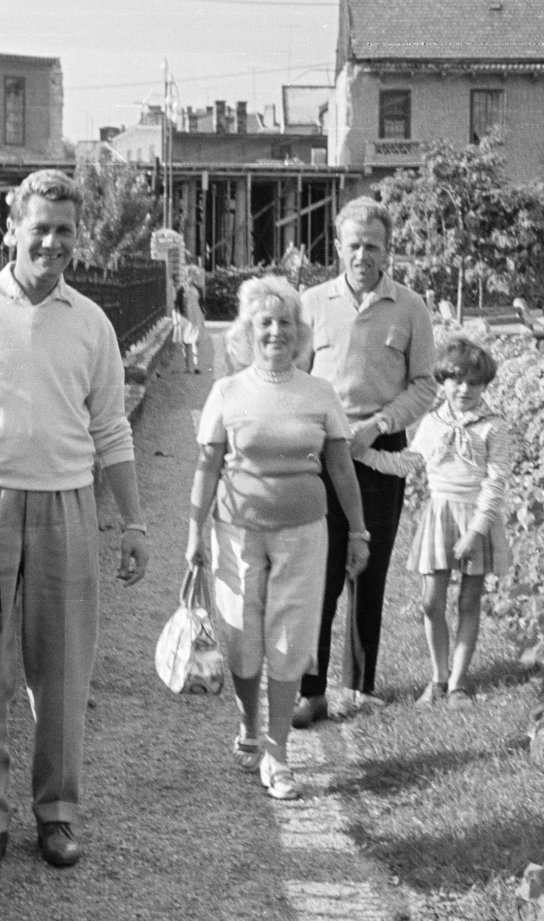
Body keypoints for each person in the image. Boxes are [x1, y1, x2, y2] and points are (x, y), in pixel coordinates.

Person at [0, 169, 149, 880]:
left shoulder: (91, 322)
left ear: (79, 236)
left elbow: (111, 428)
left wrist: (133, 521)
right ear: (10, 229)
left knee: (64, 671)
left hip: (68, 506)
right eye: (39, 227)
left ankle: (57, 816)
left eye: (65, 230)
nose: (52, 242)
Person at [185, 276, 368, 801]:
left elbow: (340, 466)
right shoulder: (227, 391)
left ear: (300, 331)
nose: (276, 332)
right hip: (237, 530)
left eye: (285, 322)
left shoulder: (319, 393)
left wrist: (358, 530)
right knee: (243, 633)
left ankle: (278, 752)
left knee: (289, 639)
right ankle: (248, 725)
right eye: (265, 323)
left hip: (304, 532)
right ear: (248, 331)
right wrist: (192, 533)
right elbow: (206, 466)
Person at [294, 197, 436, 727]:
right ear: (337, 247)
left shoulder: (411, 307)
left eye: (371, 246)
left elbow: (425, 386)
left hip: (379, 453)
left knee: (367, 569)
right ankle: (311, 690)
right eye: (352, 245)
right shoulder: (310, 302)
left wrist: (377, 425)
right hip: (320, 455)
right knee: (320, 573)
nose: (361, 255)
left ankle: (359, 686)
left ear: (388, 250)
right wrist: (324, 431)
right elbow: (297, 378)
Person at [350, 337, 517, 707]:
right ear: (443, 382)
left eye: (474, 383)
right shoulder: (433, 421)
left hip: (477, 518)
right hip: (440, 514)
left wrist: (476, 531)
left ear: (485, 386)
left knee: (469, 602)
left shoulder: (494, 426)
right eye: (456, 381)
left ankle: (457, 684)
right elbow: (407, 463)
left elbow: (496, 482)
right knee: (431, 602)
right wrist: (362, 454)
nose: (464, 389)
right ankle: (438, 678)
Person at [173, 263, 206, 373]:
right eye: (193, 274)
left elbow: (201, 303)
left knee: (195, 340)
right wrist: (178, 318)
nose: (195, 277)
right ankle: (187, 366)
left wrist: (203, 312)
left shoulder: (198, 289)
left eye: (196, 275)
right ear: (188, 275)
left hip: (197, 316)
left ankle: (196, 366)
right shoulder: (182, 288)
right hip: (186, 317)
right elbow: (177, 304)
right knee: (186, 342)